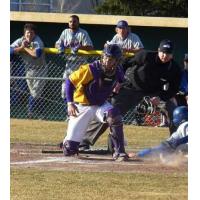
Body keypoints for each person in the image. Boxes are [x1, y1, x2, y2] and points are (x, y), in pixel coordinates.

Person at [80, 39, 182, 150]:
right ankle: (84, 141)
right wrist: (118, 81)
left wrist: (160, 97)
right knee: (111, 111)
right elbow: (124, 64)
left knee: (174, 111)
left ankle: (177, 144)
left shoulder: (174, 69)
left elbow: (173, 89)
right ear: (158, 50)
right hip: (132, 88)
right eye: (163, 52)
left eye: (168, 53)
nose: (165, 55)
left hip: (155, 93)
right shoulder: (145, 55)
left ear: (172, 55)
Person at [61, 44, 129, 161]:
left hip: (100, 106)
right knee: (69, 150)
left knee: (114, 115)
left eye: (111, 59)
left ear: (117, 61)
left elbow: (122, 81)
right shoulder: (90, 69)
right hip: (81, 106)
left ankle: (119, 151)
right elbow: (70, 82)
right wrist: (70, 103)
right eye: (106, 57)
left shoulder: (118, 71)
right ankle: (68, 142)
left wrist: (118, 86)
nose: (107, 61)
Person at [10, 23, 48, 119]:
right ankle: (42, 114)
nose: (29, 35)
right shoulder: (21, 40)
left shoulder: (37, 41)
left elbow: (36, 55)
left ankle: (30, 112)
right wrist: (21, 47)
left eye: (31, 33)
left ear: (34, 34)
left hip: (40, 69)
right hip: (29, 70)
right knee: (35, 94)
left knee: (35, 93)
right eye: (27, 33)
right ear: (24, 33)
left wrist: (25, 48)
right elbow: (9, 51)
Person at [55, 15, 93, 100]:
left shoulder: (83, 33)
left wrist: (80, 47)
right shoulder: (65, 32)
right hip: (69, 64)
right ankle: (69, 109)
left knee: (79, 89)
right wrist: (59, 46)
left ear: (78, 23)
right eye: (70, 21)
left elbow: (90, 47)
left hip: (81, 64)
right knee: (65, 89)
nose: (72, 23)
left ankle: (78, 110)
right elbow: (56, 44)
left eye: (74, 21)